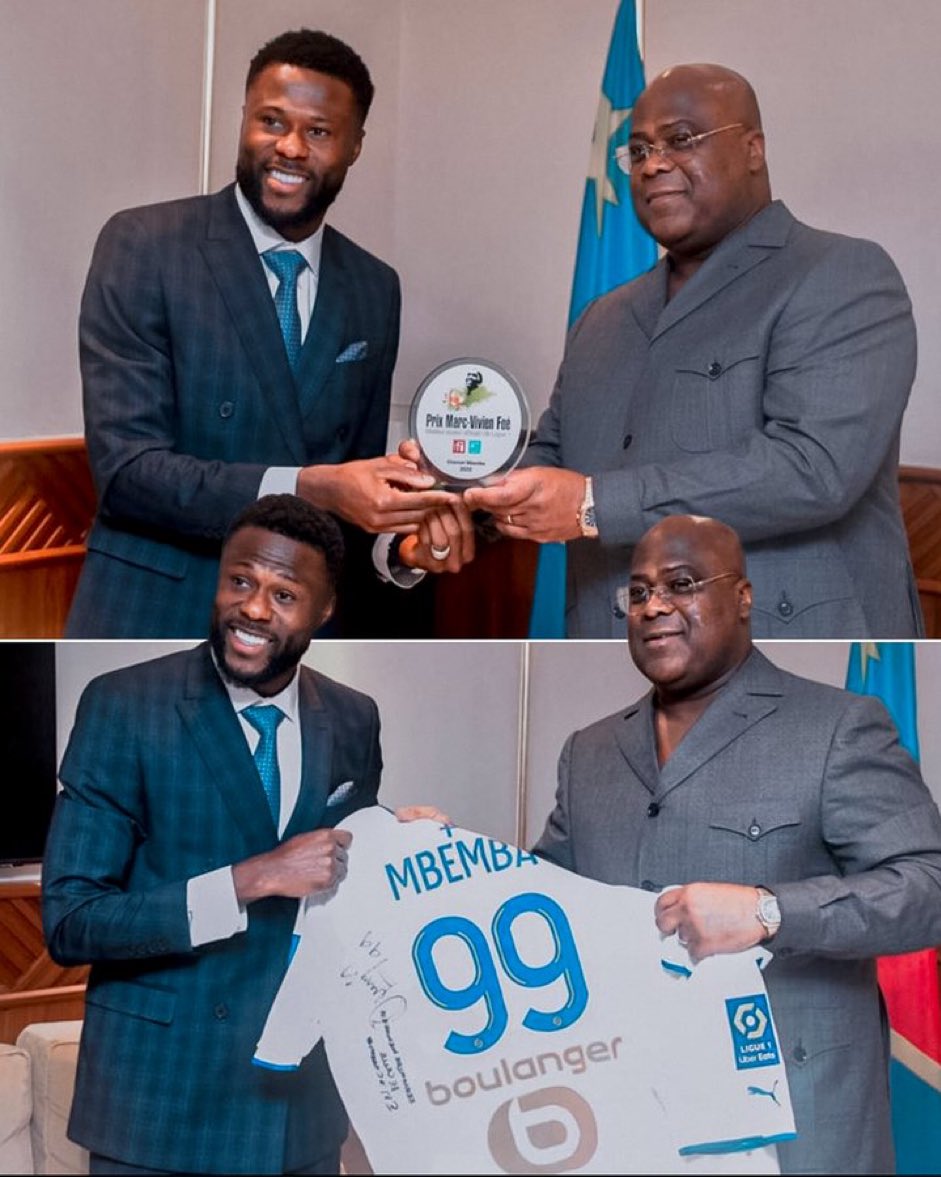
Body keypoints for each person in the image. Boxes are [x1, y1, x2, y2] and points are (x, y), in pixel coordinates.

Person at [435, 62, 923, 639]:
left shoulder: (840, 274)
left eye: (681, 140)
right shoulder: (603, 317)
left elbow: (813, 469)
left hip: (777, 653)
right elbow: (553, 459)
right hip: (610, 651)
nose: (654, 164)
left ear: (752, 149)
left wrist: (593, 504)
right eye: (638, 151)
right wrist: (456, 498)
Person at [43, 494, 444, 1175]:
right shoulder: (123, 705)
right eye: (240, 581)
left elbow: (339, 887)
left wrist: (395, 841)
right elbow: (72, 920)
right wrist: (250, 878)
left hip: (299, 1113)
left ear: (323, 609)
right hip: (157, 1112)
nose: (253, 608)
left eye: (283, 593)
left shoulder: (351, 717)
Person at [533, 512, 941, 1174]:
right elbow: (541, 900)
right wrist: (435, 854)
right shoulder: (590, 750)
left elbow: (928, 886)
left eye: (681, 582)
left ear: (743, 596)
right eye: (636, 592)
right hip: (628, 1121)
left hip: (791, 1134)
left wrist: (766, 911)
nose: (653, 605)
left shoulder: (837, 727)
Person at [66, 27, 453, 640]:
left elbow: (351, 488)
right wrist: (311, 487)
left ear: (354, 145)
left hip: (296, 633)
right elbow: (129, 474)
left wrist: (400, 553)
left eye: (319, 131)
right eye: (272, 121)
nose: (292, 147)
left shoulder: (375, 287)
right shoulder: (144, 246)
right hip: (157, 614)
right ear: (244, 119)